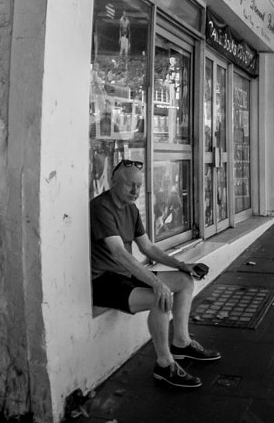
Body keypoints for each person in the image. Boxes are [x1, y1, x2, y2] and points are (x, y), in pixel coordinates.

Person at [90, 161, 219, 389]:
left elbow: (148, 248)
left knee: (184, 280)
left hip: (125, 273)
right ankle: (164, 364)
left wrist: (182, 265)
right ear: (113, 182)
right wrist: (156, 283)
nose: (135, 192)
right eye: (130, 185)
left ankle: (181, 343)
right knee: (161, 296)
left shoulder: (131, 208)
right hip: (104, 280)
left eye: (139, 186)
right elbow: (119, 253)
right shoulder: (101, 207)